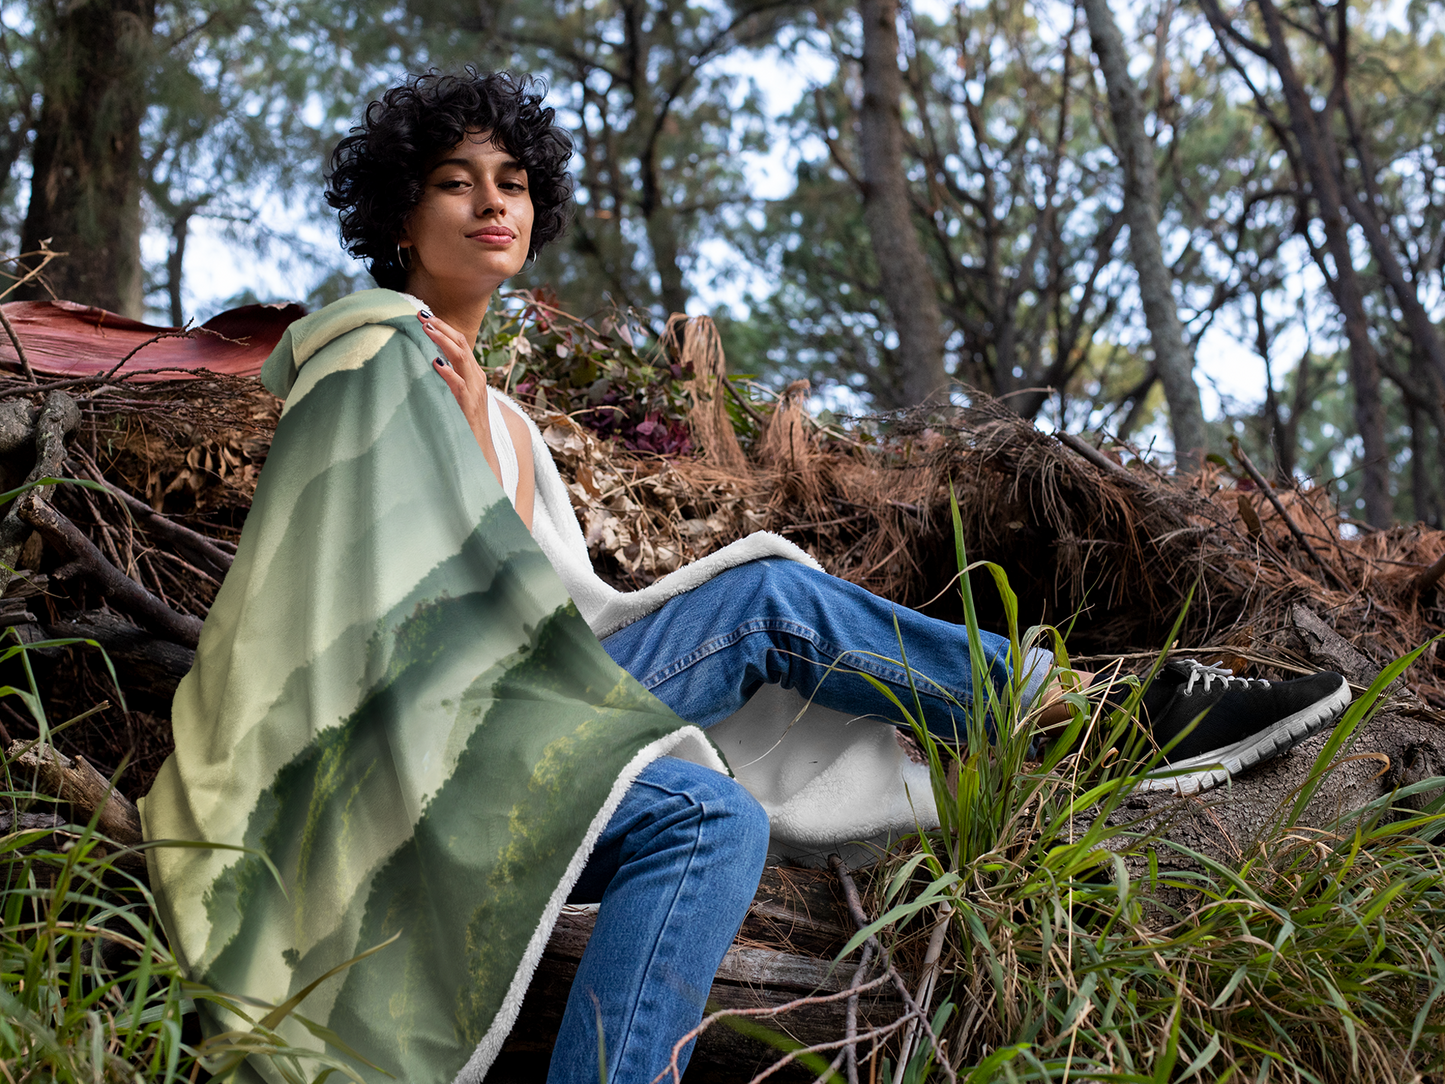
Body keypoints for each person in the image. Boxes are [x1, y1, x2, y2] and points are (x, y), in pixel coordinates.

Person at [142, 69, 1350, 1084]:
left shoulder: (493, 408)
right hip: (412, 734)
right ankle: (1073, 717)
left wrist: (474, 442)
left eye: (510, 182)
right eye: (455, 180)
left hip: (512, 716)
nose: (489, 203)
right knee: (750, 650)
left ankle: (1064, 718)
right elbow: (358, 591)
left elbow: (554, 608)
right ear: (399, 215)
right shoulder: (367, 351)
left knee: (709, 803)